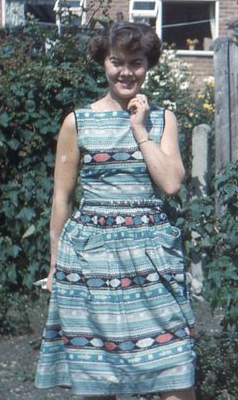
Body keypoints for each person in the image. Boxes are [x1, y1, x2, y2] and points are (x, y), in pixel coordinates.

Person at [35, 22, 196, 400]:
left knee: (175, 370)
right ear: (103, 62)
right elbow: (62, 199)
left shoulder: (163, 119)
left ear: (148, 65)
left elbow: (171, 183)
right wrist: (55, 265)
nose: (126, 72)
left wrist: (140, 129)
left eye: (136, 62)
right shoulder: (78, 121)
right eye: (117, 61)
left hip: (152, 258)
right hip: (90, 258)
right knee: (98, 375)